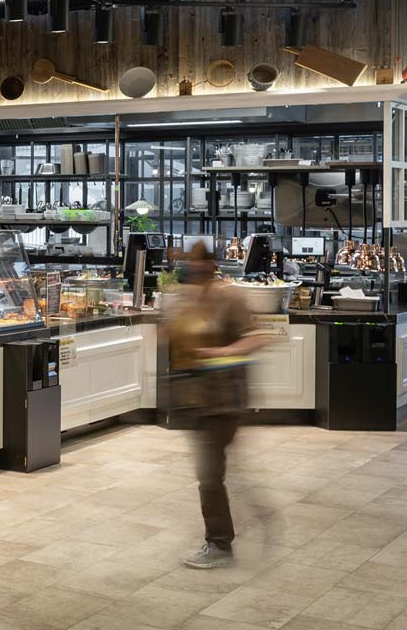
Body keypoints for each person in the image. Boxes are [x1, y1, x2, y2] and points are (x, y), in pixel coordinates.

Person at [164, 240, 268, 569]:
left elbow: (256, 337)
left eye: (194, 261)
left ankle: (220, 544)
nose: (189, 267)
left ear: (209, 264)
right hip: (196, 399)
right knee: (212, 472)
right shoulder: (189, 298)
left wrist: (220, 354)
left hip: (223, 400)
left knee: (209, 475)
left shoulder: (229, 297)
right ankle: (229, 535)